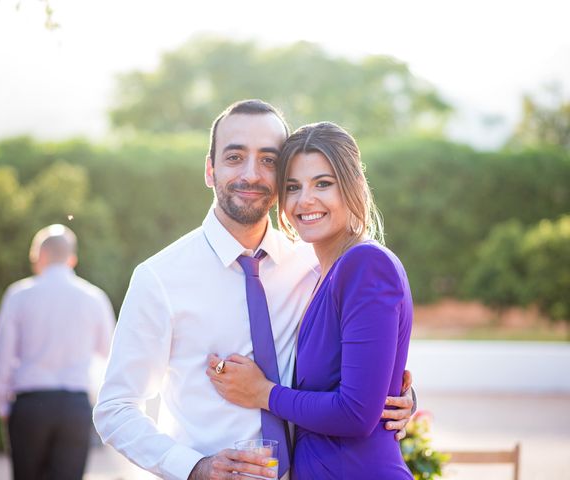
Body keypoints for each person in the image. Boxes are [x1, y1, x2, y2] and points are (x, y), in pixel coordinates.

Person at [93, 100, 414, 480]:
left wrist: (397, 399)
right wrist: (195, 467)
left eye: (268, 160)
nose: (251, 173)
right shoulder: (160, 278)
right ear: (210, 170)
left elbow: (357, 371)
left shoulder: (313, 266)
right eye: (234, 157)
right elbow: (115, 407)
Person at [207, 122, 414, 478]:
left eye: (323, 183)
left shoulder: (366, 265)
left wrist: (263, 393)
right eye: (292, 187)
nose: (305, 200)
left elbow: (355, 414)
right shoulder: (317, 273)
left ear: (354, 185)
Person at [0, 224, 116, 480]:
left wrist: (3, 405)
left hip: (29, 406)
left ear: (39, 256)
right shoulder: (94, 298)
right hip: (75, 407)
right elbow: (109, 355)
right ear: (72, 259)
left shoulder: (18, 296)